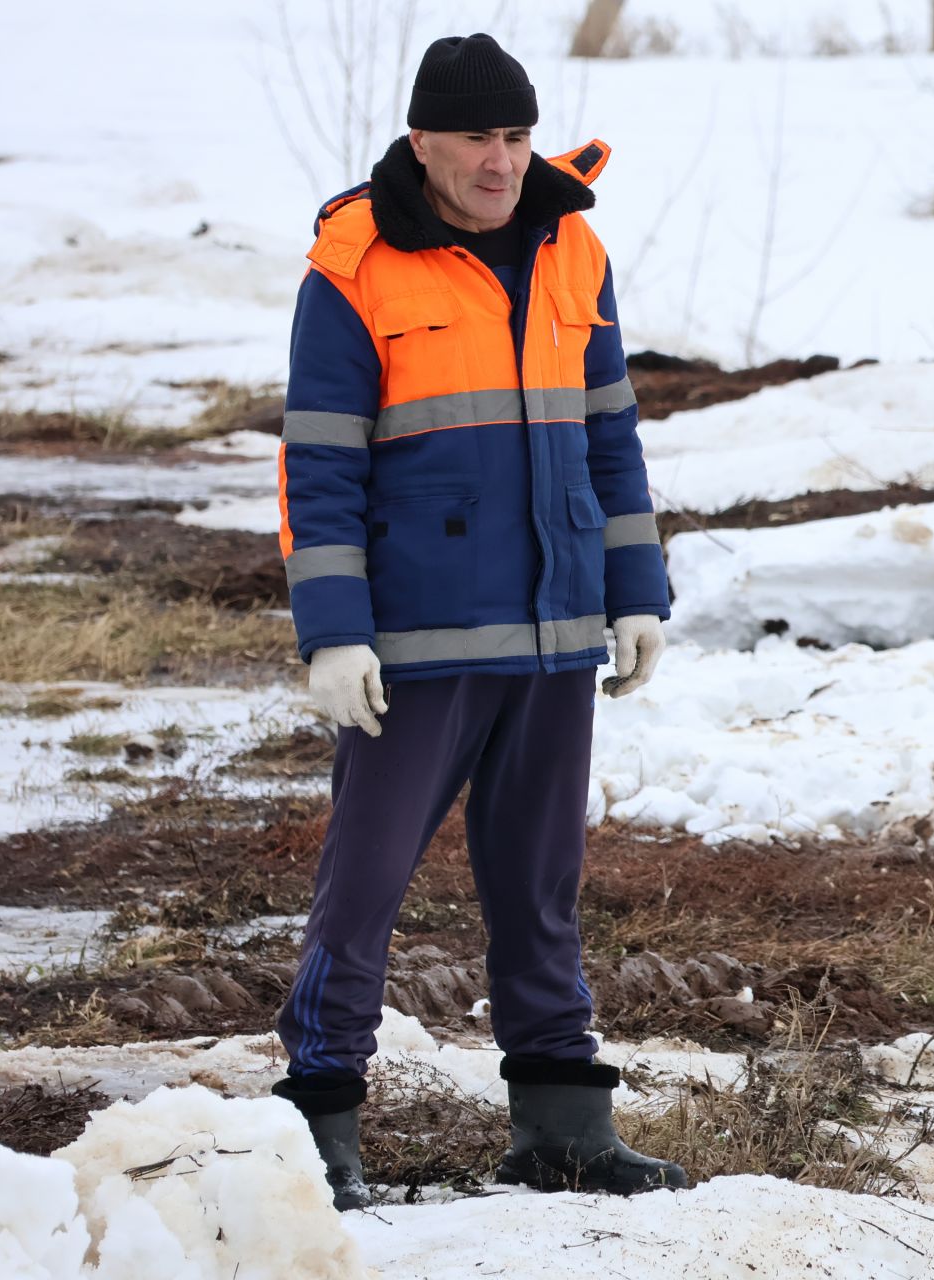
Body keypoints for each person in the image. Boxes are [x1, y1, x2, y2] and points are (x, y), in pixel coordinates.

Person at [270, 31, 684, 1209]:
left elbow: (611, 434)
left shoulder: (572, 246)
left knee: (541, 882)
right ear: (423, 144)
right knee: (365, 886)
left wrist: (637, 588)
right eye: (475, 141)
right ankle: (318, 1128)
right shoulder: (354, 267)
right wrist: (333, 630)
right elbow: (320, 465)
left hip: (555, 630)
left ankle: (562, 1128)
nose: (501, 163)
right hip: (419, 641)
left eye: (515, 137)